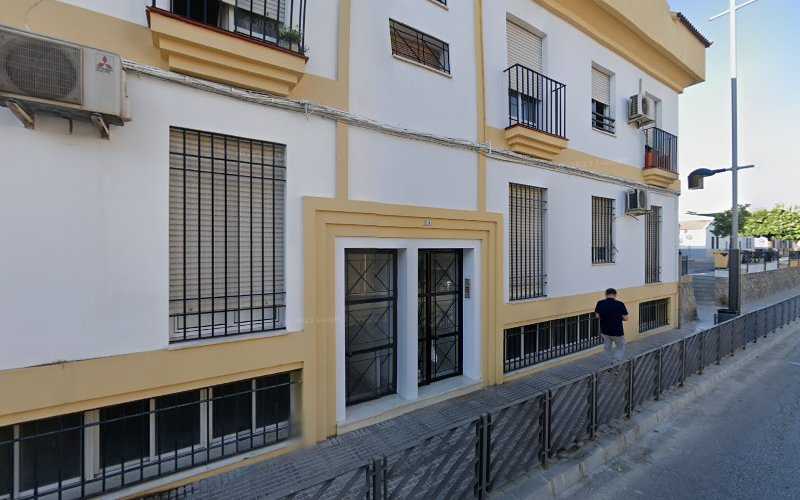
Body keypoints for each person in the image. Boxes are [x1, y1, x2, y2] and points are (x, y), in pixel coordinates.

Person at [594, 288, 629, 361]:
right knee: (620, 347)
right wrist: (618, 318)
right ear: (615, 295)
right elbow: (626, 318)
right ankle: (616, 361)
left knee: (607, 348)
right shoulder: (620, 304)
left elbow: (597, 316)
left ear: (606, 294)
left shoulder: (600, 303)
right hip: (617, 331)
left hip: (605, 330)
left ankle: (608, 363)